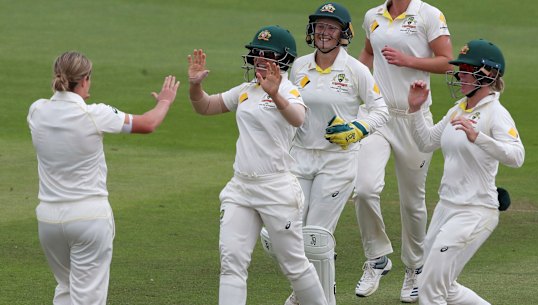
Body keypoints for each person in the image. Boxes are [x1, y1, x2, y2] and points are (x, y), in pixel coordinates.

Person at [187, 25, 328, 305]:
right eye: (256, 53)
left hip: (276, 187)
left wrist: (275, 95)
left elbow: (298, 119)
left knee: (294, 266)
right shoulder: (246, 90)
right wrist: (195, 85)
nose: (259, 59)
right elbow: (205, 107)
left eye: (267, 55)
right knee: (231, 262)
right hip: (241, 187)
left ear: (283, 60)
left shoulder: (289, 90)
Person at [27, 51, 179, 305]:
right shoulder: (95, 114)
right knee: (88, 298)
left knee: (66, 288)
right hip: (89, 217)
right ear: (85, 79)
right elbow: (148, 124)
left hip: (48, 220)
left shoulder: (36, 110)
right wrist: (165, 101)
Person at [283, 3, 389, 305]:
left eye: (331, 28)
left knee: (316, 235)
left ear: (343, 33)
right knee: (292, 232)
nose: (324, 33)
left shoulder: (356, 70)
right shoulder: (299, 66)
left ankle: (320, 298)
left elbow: (381, 110)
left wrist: (358, 128)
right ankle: (308, 291)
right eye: (320, 26)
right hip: (300, 158)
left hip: (337, 161)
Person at [407, 38, 524, 305]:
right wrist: (415, 110)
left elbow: (516, 156)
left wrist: (479, 137)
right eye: (460, 68)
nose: (459, 75)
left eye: (466, 70)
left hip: (474, 211)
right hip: (446, 207)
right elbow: (426, 141)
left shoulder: (496, 113)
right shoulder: (457, 109)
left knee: (429, 289)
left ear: (488, 75)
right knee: (443, 287)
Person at [353, 0, 453, 302]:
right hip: (378, 115)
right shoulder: (373, 16)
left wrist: (408, 61)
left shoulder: (428, 15)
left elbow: (447, 61)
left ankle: (415, 268)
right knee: (364, 189)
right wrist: (355, 86)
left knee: (413, 202)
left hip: (414, 116)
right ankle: (377, 258)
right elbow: (368, 54)